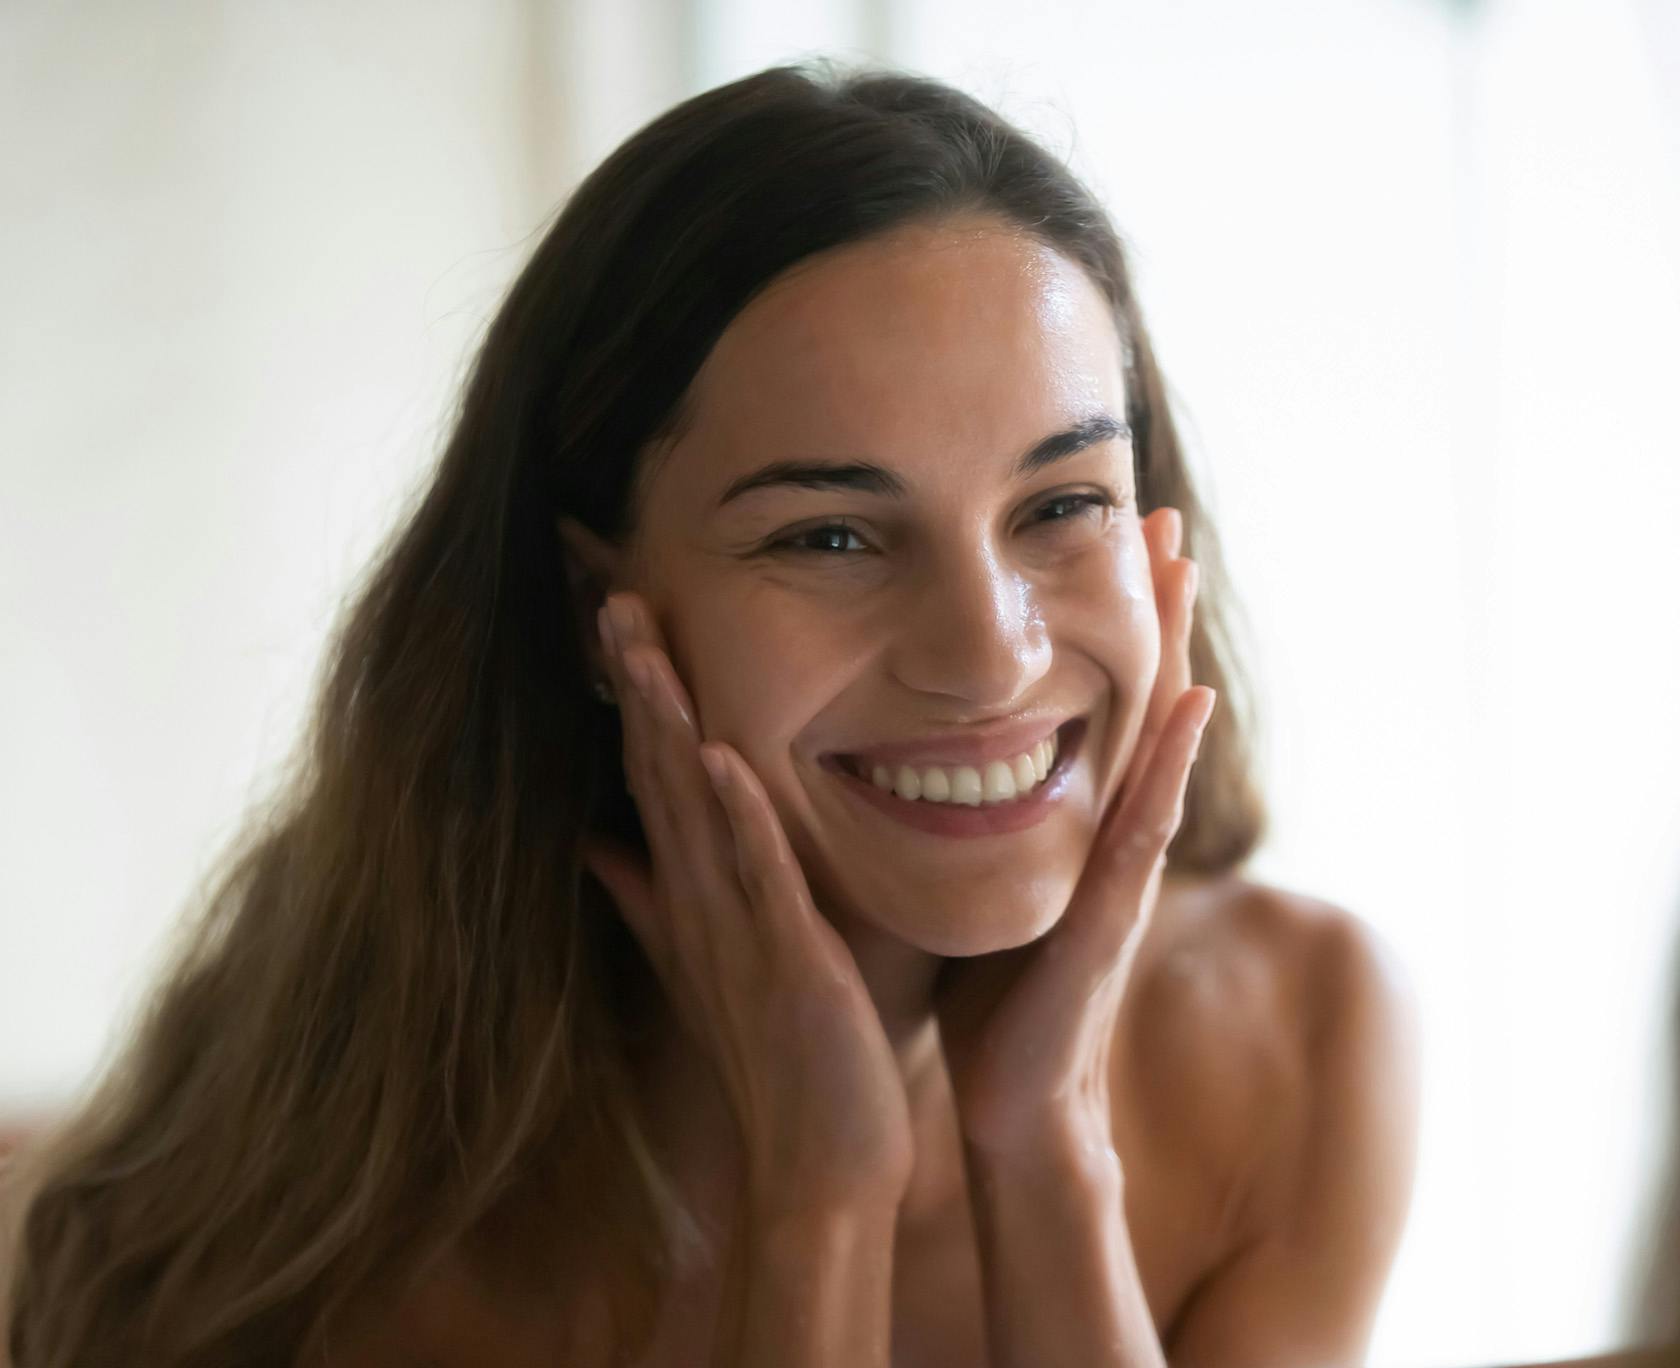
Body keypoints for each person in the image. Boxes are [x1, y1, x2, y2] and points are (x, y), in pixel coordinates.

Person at [2, 59, 1420, 1367]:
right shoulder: (374, 1220)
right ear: (591, 616)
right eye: (829, 537)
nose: (991, 658)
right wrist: (820, 1206)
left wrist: (1045, 1147)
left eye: (1062, 505)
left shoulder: (1297, 1038)